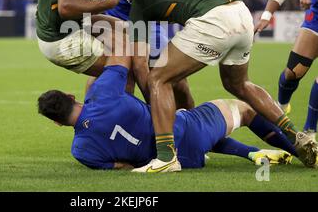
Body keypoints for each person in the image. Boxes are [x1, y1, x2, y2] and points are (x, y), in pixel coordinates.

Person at [111, 0, 318, 171]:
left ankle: (166, 157)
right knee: (239, 84)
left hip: (213, 22)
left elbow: (139, 63)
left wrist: (151, 103)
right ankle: (297, 135)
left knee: (158, 78)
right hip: (240, 12)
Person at [37, 54, 295, 171]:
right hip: (186, 130)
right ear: (71, 97)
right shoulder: (103, 93)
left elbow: (123, 166)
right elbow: (121, 57)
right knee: (246, 110)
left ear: (57, 123)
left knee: (201, 136)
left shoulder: (80, 152)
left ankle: (251, 153)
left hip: (184, 161)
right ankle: (301, 149)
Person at [255, 0, 318, 141]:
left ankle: (309, 133)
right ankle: (281, 106)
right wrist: (266, 15)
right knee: (293, 71)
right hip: (317, 14)